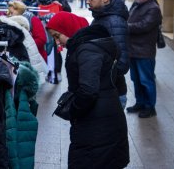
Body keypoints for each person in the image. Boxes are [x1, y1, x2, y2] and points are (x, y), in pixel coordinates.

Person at [47, 11, 129, 169]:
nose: (57, 42)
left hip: (96, 122)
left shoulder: (87, 49)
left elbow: (88, 90)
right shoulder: (90, 45)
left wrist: (73, 110)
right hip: (103, 119)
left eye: (58, 36)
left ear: (69, 29)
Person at [87, 0, 129, 109]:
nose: (88, 1)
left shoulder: (114, 22)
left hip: (111, 94)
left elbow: (122, 65)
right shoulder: (102, 17)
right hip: (105, 91)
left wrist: (95, 68)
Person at [126, 0, 162, 118]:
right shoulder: (137, 5)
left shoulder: (153, 9)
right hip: (133, 49)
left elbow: (144, 26)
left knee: (146, 80)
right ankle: (140, 103)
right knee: (136, 79)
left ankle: (149, 107)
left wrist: (126, 26)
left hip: (144, 51)